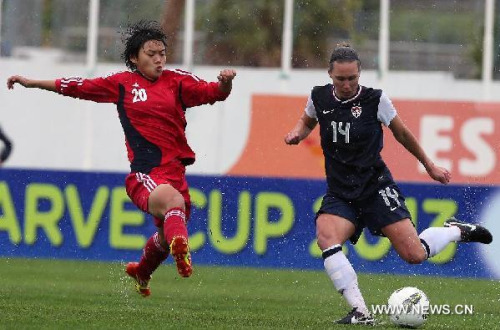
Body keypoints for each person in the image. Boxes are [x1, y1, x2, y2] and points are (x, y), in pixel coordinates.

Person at [7, 21, 236, 297]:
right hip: (145, 175)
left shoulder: (178, 81)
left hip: (176, 174)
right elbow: (78, 86)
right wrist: (32, 83)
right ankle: (181, 250)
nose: (158, 59)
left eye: (162, 53)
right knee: (174, 208)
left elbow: (215, 94)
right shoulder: (122, 84)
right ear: (134, 58)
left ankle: (142, 271)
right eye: (151, 54)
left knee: (165, 235)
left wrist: (225, 83)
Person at [284, 43, 492, 325]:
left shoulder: (375, 100)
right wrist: (297, 133)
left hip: (375, 187)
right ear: (330, 75)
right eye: (340, 79)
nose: (346, 85)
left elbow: (403, 134)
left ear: (360, 74)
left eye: (352, 78)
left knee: (414, 254)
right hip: (340, 191)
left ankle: (455, 231)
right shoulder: (318, 97)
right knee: (326, 237)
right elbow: (307, 121)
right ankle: (360, 311)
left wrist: (430, 166)